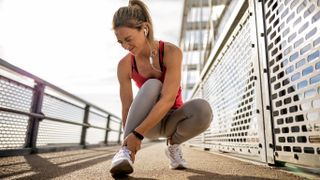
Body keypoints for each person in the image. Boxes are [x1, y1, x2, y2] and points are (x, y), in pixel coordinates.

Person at [110, 0, 213, 176]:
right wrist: (130, 138)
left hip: (173, 119)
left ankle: (173, 145)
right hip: (148, 123)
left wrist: (137, 135)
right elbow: (127, 106)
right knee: (152, 85)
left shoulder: (172, 52)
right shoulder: (124, 65)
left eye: (128, 39)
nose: (125, 47)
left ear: (145, 29)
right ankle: (125, 152)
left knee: (203, 109)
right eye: (120, 42)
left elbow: (168, 99)